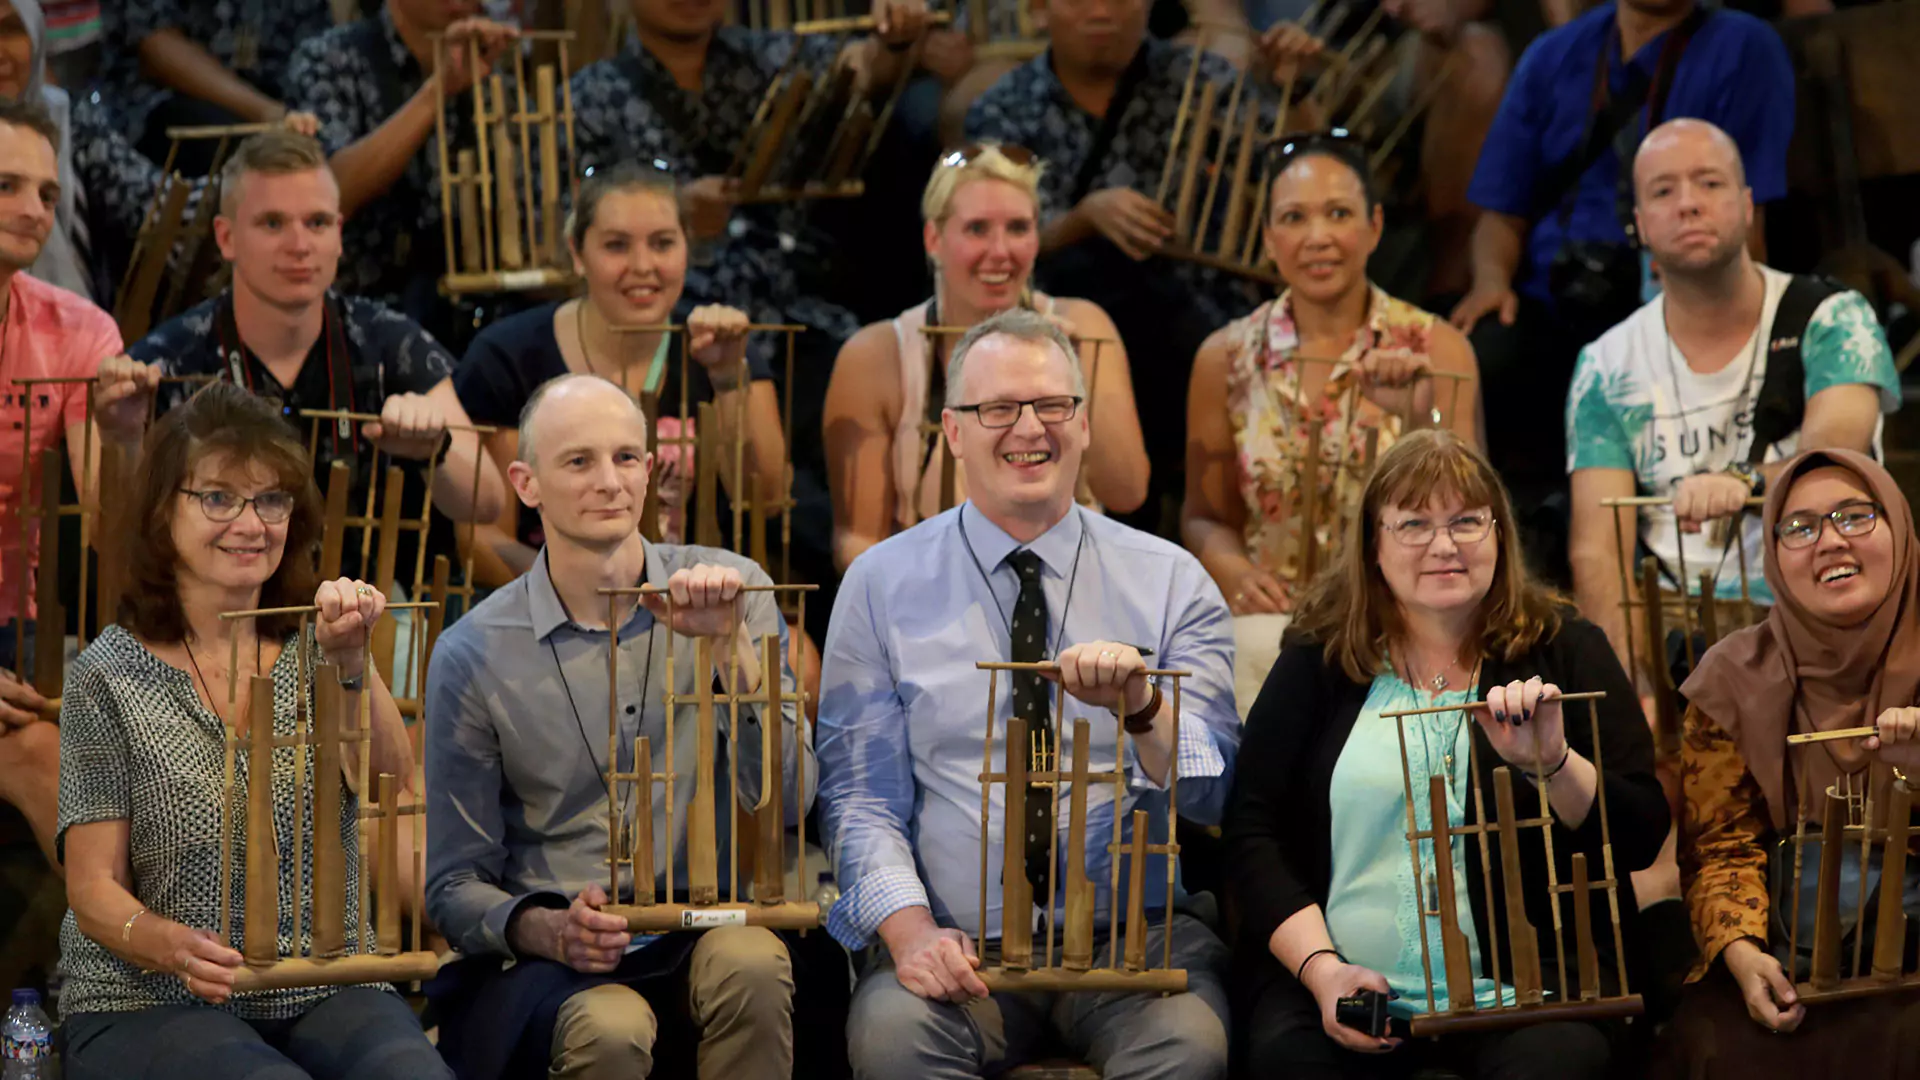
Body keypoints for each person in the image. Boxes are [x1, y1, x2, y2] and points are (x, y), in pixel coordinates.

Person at [818, 309, 1240, 1079]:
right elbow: (857, 798)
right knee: (892, 1040)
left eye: (1052, 406)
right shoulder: (880, 584)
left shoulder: (1172, 579)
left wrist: (1143, 709)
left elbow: (1214, 797)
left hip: (1134, 942)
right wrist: (910, 934)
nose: (1029, 429)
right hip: (956, 944)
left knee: (1189, 1047)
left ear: (1082, 424)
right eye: (998, 409)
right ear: (951, 430)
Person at [1226, 428, 1669, 1078]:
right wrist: (1323, 971)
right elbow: (1251, 829)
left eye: (1466, 521)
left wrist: (1552, 763)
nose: (1443, 545)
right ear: (1374, 545)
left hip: (1536, 997)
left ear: (1499, 535)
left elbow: (1640, 834)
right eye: (1413, 524)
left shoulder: (1566, 646)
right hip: (1339, 988)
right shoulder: (1320, 659)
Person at [424, 373, 819, 1080]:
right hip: (562, 948)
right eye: (579, 462)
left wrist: (730, 650)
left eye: (627, 458)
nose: (610, 481)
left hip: (703, 919)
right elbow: (454, 884)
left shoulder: (737, 591)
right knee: (611, 1026)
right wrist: (546, 929)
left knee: (755, 962)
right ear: (526, 483)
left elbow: (789, 804)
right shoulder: (472, 651)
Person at [54, 381, 447, 1080]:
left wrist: (353, 661)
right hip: (147, 996)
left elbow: (393, 783)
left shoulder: (321, 640)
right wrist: (171, 945)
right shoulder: (106, 673)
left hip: (321, 979)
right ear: (160, 512)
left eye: (271, 499)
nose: (250, 522)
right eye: (218, 498)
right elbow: (92, 887)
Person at [1450, 0, 1794, 581]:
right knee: (1480, 354)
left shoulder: (1744, 47)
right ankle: (1495, 561)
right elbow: (1498, 215)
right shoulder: (1553, 55)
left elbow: (1748, 215)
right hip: (1550, 301)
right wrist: (1490, 282)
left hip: (1668, 301)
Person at [1566, 118, 1897, 681]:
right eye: (1664, 191)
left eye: (1709, 183)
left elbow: (1833, 458)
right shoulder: (1605, 364)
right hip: (1672, 637)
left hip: (1817, 611)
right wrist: (1630, 695)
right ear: (1640, 224)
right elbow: (1597, 551)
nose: (1689, 204)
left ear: (1747, 205)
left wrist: (1742, 483)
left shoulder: (1832, 317)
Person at [99, 129, 505, 585]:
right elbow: (112, 535)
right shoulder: (166, 359)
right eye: (273, 223)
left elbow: (486, 500)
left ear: (339, 234)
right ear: (226, 237)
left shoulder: (390, 342)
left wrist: (437, 449)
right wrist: (123, 440)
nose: (299, 244)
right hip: (214, 619)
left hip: (367, 615)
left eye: (316, 222)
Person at [1182, 130, 1482, 715]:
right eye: (1294, 218)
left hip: (1404, 625)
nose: (1317, 237)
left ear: (1374, 227)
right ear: (1269, 238)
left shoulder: (1438, 348)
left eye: (1338, 214)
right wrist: (1234, 569)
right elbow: (1203, 516)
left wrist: (1419, 414)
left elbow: (1472, 517)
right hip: (1274, 630)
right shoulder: (1225, 358)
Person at [1657, 448, 1920, 1076]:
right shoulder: (1730, 678)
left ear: (1900, 529)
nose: (1830, 541)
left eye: (1855, 516)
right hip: (1785, 950)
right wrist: (1744, 955)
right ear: (1774, 555)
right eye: (1800, 528)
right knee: (1717, 1050)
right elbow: (1719, 847)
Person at [963, 0, 1265, 531]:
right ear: (1038, 11)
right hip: (1063, 319)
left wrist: (1295, 91)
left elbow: (1278, 173)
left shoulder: (1206, 83)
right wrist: (1082, 218)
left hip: (1197, 317)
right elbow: (987, 230)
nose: (1101, 9)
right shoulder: (1005, 107)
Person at [453, 161, 785, 587]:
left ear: (688, 248)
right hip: (550, 612)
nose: (643, 265)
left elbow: (767, 501)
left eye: (663, 243)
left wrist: (727, 379)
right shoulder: (508, 357)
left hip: (691, 606)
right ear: (577, 252)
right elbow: (481, 537)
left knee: (799, 650)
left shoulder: (721, 349)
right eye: (616, 246)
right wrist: (586, 597)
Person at [822, 142, 1149, 572]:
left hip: (1074, 598)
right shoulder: (875, 357)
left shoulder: (1086, 326)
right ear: (933, 238)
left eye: (1018, 228)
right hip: (931, 606)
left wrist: (1075, 374)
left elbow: (1127, 491)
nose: (1000, 252)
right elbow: (858, 541)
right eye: (977, 229)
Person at [0, 96, 155, 875]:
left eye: (48, 194)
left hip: (16, 636)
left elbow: (110, 532)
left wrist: (125, 438)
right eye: (7, 187)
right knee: (40, 757)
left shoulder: (80, 329)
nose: (34, 211)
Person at [1224, 0, 1513, 302]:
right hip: (1265, 42)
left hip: (1373, 48)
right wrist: (1232, 33)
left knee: (1479, 55)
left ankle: (1448, 298)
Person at [287, 1, 518, 346]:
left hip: (474, 320)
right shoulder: (329, 59)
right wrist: (438, 89)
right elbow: (329, 196)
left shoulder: (493, 75)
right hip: (355, 321)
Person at [98, 0, 332, 173]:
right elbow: (158, 48)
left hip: (279, 96)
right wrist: (268, 112)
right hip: (164, 103)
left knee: (330, 140)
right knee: (259, 159)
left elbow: (319, 48)